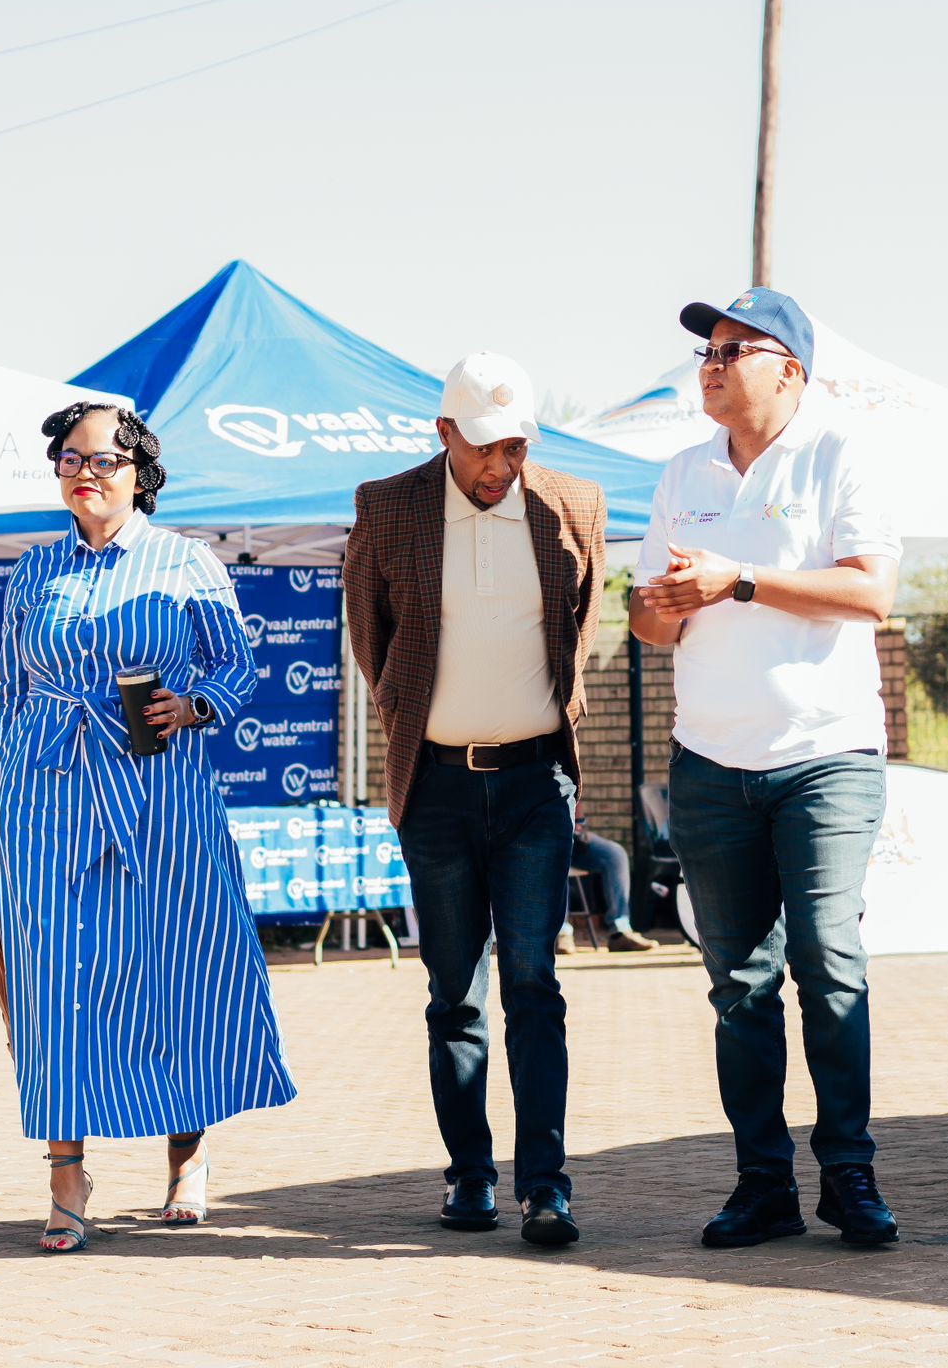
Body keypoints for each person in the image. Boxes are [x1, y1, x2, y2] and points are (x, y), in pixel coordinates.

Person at [0, 401, 296, 1253]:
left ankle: (186, 1153)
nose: (84, 474)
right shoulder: (33, 571)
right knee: (52, 979)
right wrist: (2, 802)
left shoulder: (187, 563)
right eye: (70, 460)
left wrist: (196, 705)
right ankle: (66, 1174)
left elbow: (237, 667)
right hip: (46, 794)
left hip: (161, 792)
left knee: (178, 966)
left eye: (103, 461)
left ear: (139, 474)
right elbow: (9, 694)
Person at [630, 288, 901, 1250]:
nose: (711, 364)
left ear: (789, 370)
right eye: (706, 350)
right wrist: (660, 606)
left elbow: (871, 593)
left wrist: (738, 579)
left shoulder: (839, 454)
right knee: (739, 985)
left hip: (826, 758)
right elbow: (649, 621)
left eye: (733, 349)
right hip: (710, 763)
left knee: (828, 962)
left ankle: (850, 1175)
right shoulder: (683, 472)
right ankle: (763, 1186)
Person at [343, 352, 606, 1246]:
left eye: (517, 446)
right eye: (486, 446)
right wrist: (422, 718)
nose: (503, 465)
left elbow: (580, 628)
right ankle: (469, 1177)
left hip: (537, 785)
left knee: (534, 983)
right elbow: (371, 641)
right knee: (454, 993)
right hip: (437, 788)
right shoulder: (389, 506)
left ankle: (547, 1187)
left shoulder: (575, 504)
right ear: (446, 433)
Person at [556, 817, 658, 953]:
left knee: (615, 855)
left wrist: (580, 825)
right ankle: (560, 933)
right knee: (558, 855)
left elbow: (578, 810)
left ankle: (620, 932)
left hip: (572, 835)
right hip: (544, 837)